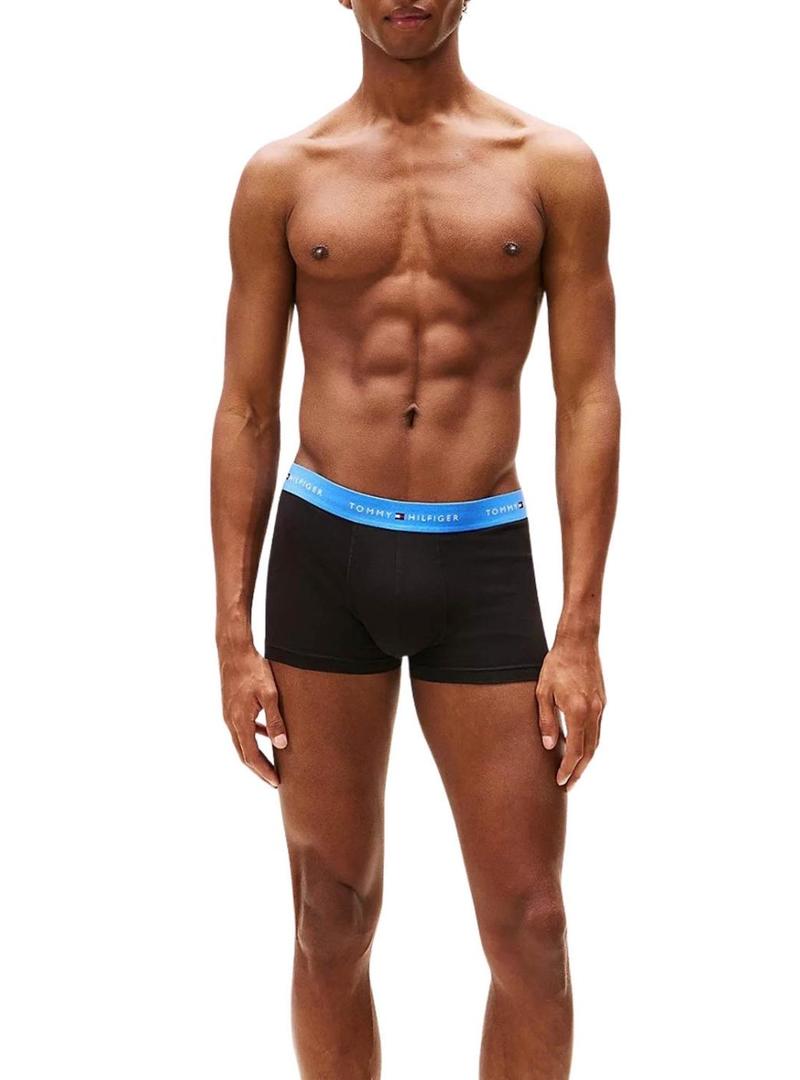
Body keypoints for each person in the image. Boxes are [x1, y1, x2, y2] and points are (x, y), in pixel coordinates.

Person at [211, 1, 619, 1075]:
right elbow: (245, 409)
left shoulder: (551, 167)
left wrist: (578, 629)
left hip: (479, 560)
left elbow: (588, 399)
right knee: (329, 913)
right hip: (325, 555)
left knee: (531, 927)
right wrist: (231, 634)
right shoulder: (283, 177)